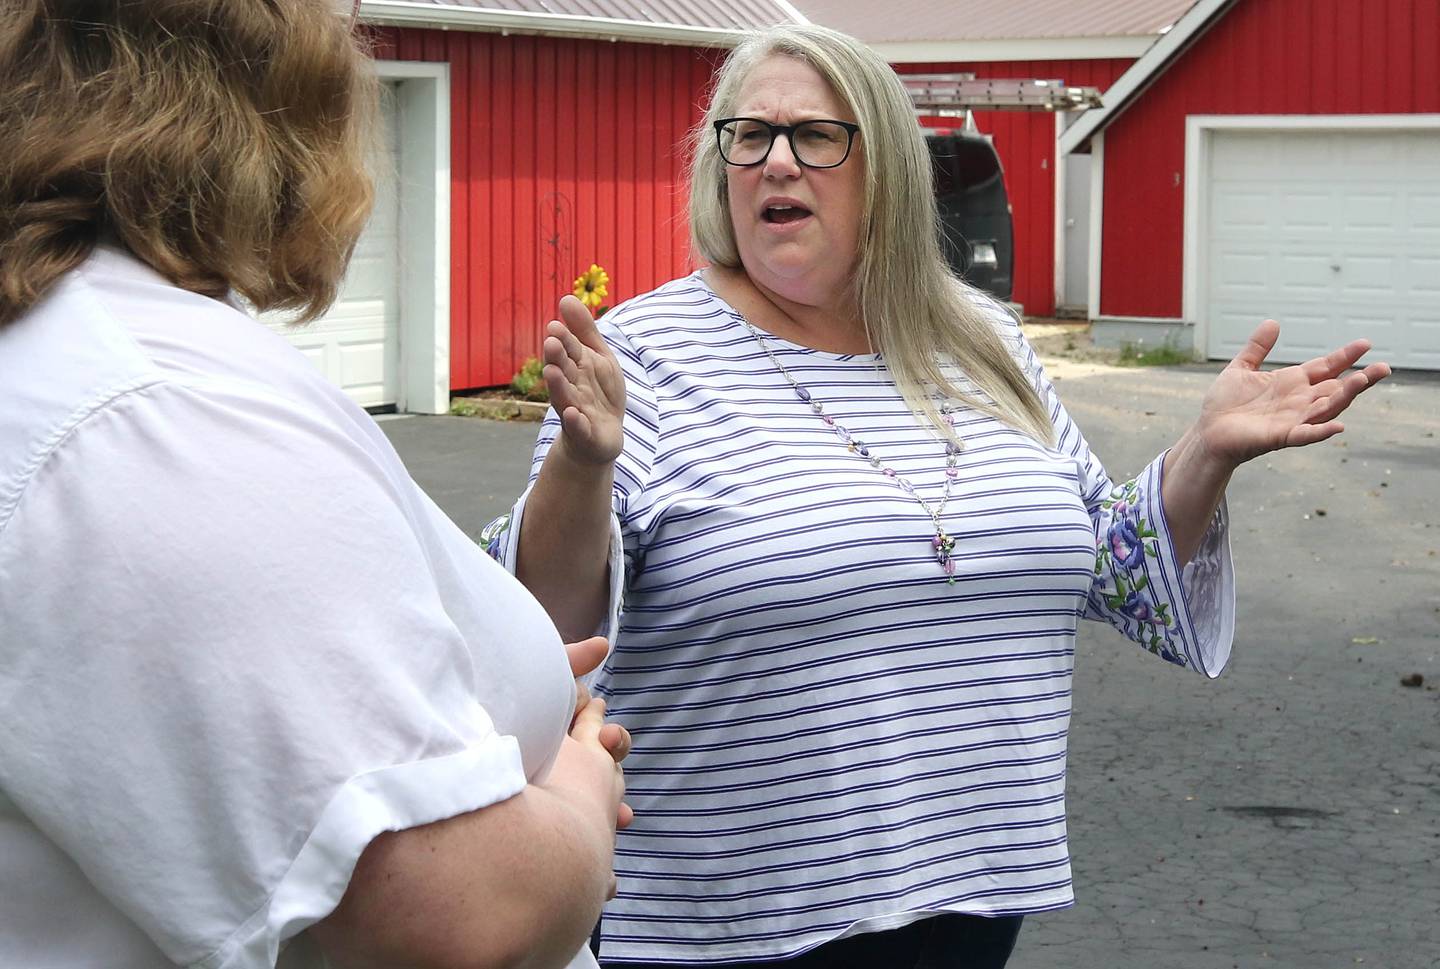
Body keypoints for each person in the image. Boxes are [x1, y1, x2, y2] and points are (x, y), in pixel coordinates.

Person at [482, 23, 1391, 969]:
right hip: (734, 923)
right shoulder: (648, 354)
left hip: (972, 894)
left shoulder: (981, 338)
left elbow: (1116, 573)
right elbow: (544, 620)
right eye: (747, 137)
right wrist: (582, 468)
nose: (775, 162)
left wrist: (1204, 450)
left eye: (815, 136)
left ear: (888, 169)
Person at [0, 2, 630, 967]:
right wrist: (582, 792)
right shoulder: (158, 413)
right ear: (273, 98)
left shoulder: (96, 358)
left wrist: (495, 654)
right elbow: (459, 912)